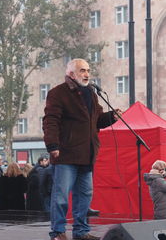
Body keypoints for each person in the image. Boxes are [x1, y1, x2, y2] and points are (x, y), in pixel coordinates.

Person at [43, 58, 121, 240]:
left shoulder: (91, 94)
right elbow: (50, 120)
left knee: (84, 196)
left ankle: (81, 232)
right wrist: (52, 145)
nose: (87, 74)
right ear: (71, 74)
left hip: (87, 153)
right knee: (61, 196)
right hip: (66, 153)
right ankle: (58, 232)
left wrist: (112, 117)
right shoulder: (58, 93)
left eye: (87, 70)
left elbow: (97, 120)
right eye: (82, 71)